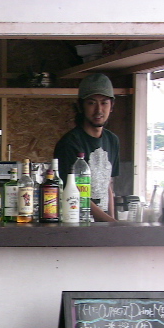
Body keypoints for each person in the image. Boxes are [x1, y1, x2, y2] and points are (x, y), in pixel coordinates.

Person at [54, 73, 120, 222]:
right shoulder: (69, 143)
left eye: (104, 103)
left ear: (112, 106)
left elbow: (108, 185)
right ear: (80, 106)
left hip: (104, 223)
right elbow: (73, 192)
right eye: (91, 103)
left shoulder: (112, 140)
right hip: (77, 222)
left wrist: (112, 222)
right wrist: (111, 223)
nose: (99, 110)